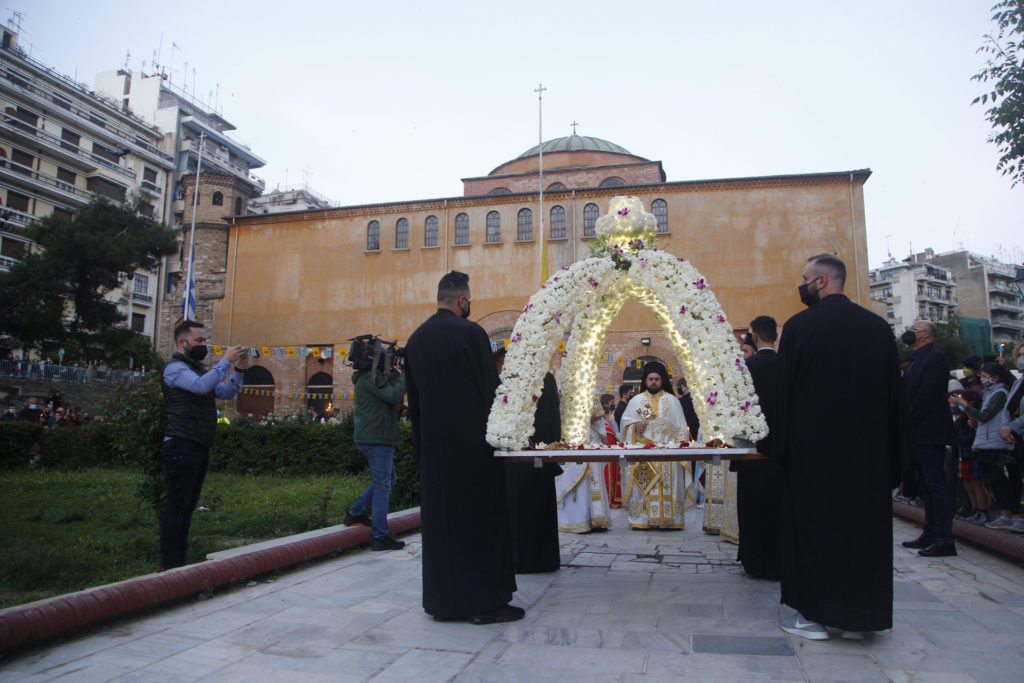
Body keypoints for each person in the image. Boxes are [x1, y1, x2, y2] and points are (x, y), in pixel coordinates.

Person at [774, 254, 907, 640]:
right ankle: (865, 615)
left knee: (816, 533)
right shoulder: (878, 329)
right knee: (864, 535)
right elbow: (893, 397)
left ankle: (814, 616)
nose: (801, 285)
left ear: (821, 282)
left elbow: (785, 395)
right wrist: (896, 459)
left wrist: (779, 450)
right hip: (869, 458)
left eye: (804, 278)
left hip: (814, 457)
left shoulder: (799, 328)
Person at [404, 271, 522, 624]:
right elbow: (491, 392)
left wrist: (421, 449)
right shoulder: (471, 334)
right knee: (480, 524)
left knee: (442, 530)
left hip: (435, 456)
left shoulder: (416, 340)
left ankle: (443, 602)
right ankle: (485, 604)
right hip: (473, 452)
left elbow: (416, 407)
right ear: (462, 300)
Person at [160, 320, 252, 570]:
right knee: (177, 505)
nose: (204, 344)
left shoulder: (198, 369)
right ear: (183, 342)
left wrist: (239, 371)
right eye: (199, 340)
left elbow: (225, 393)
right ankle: (169, 563)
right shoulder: (175, 369)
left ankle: (180, 559)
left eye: (204, 340)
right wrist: (226, 361)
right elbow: (201, 388)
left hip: (199, 443)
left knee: (188, 505)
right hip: (181, 443)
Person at [730, 315, 783, 579]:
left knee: (753, 509)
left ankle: (753, 559)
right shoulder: (787, 366)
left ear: (754, 335)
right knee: (779, 508)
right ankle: (779, 560)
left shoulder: (746, 368)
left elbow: (737, 411)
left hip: (752, 452)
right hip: (782, 453)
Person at [343, 340, 408, 551]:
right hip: (377, 438)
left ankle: (356, 512)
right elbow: (394, 394)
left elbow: (391, 391)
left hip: (374, 437)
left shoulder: (369, 378)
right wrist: (406, 372)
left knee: (388, 478)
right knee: (383, 485)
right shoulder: (370, 379)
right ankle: (380, 536)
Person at [900, 321, 956, 556]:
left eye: (913, 329)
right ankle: (931, 531)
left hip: (928, 431)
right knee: (925, 484)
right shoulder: (916, 360)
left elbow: (926, 395)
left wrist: (907, 420)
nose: (909, 332)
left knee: (935, 484)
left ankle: (944, 537)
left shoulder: (935, 358)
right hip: (917, 433)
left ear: (924, 334)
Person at [503, 355, 562, 572]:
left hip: (520, 456)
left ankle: (520, 559)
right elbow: (555, 420)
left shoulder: (514, 379)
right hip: (535, 455)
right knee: (532, 507)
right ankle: (543, 559)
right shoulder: (542, 378)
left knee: (522, 508)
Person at [619, 361, 695, 529]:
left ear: (662, 381)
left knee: (668, 487)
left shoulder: (673, 401)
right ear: (645, 381)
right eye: (650, 379)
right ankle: (642, 520)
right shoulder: (635, 402)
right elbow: (624, 425)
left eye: (657, 379)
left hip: (668, 454)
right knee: (643, 489)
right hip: (643, 454)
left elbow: (682, 431)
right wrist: (634, 427)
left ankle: (669, 520)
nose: (653, 382)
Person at [950, 362, 1016, 529]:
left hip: (996, 442)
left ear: (996, 378)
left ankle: (1006, 513)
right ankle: (999, 513)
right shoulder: (989, 393)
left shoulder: (999, 393)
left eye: (985, 377)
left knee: (998, 479)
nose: (982, 379)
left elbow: (986, 415)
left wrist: (965, 406)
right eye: (982, 376)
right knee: (992, 479)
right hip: (987, 441)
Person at [556, 394, 613, 533]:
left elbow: (599, 416)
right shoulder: (565, 393)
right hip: (574, 443)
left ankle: (596, 520)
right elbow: (563, 417)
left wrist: (593, 416)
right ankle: (578, 521)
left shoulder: (591, 393)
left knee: (593, 482)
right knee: (577, 483)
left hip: (591, 442)